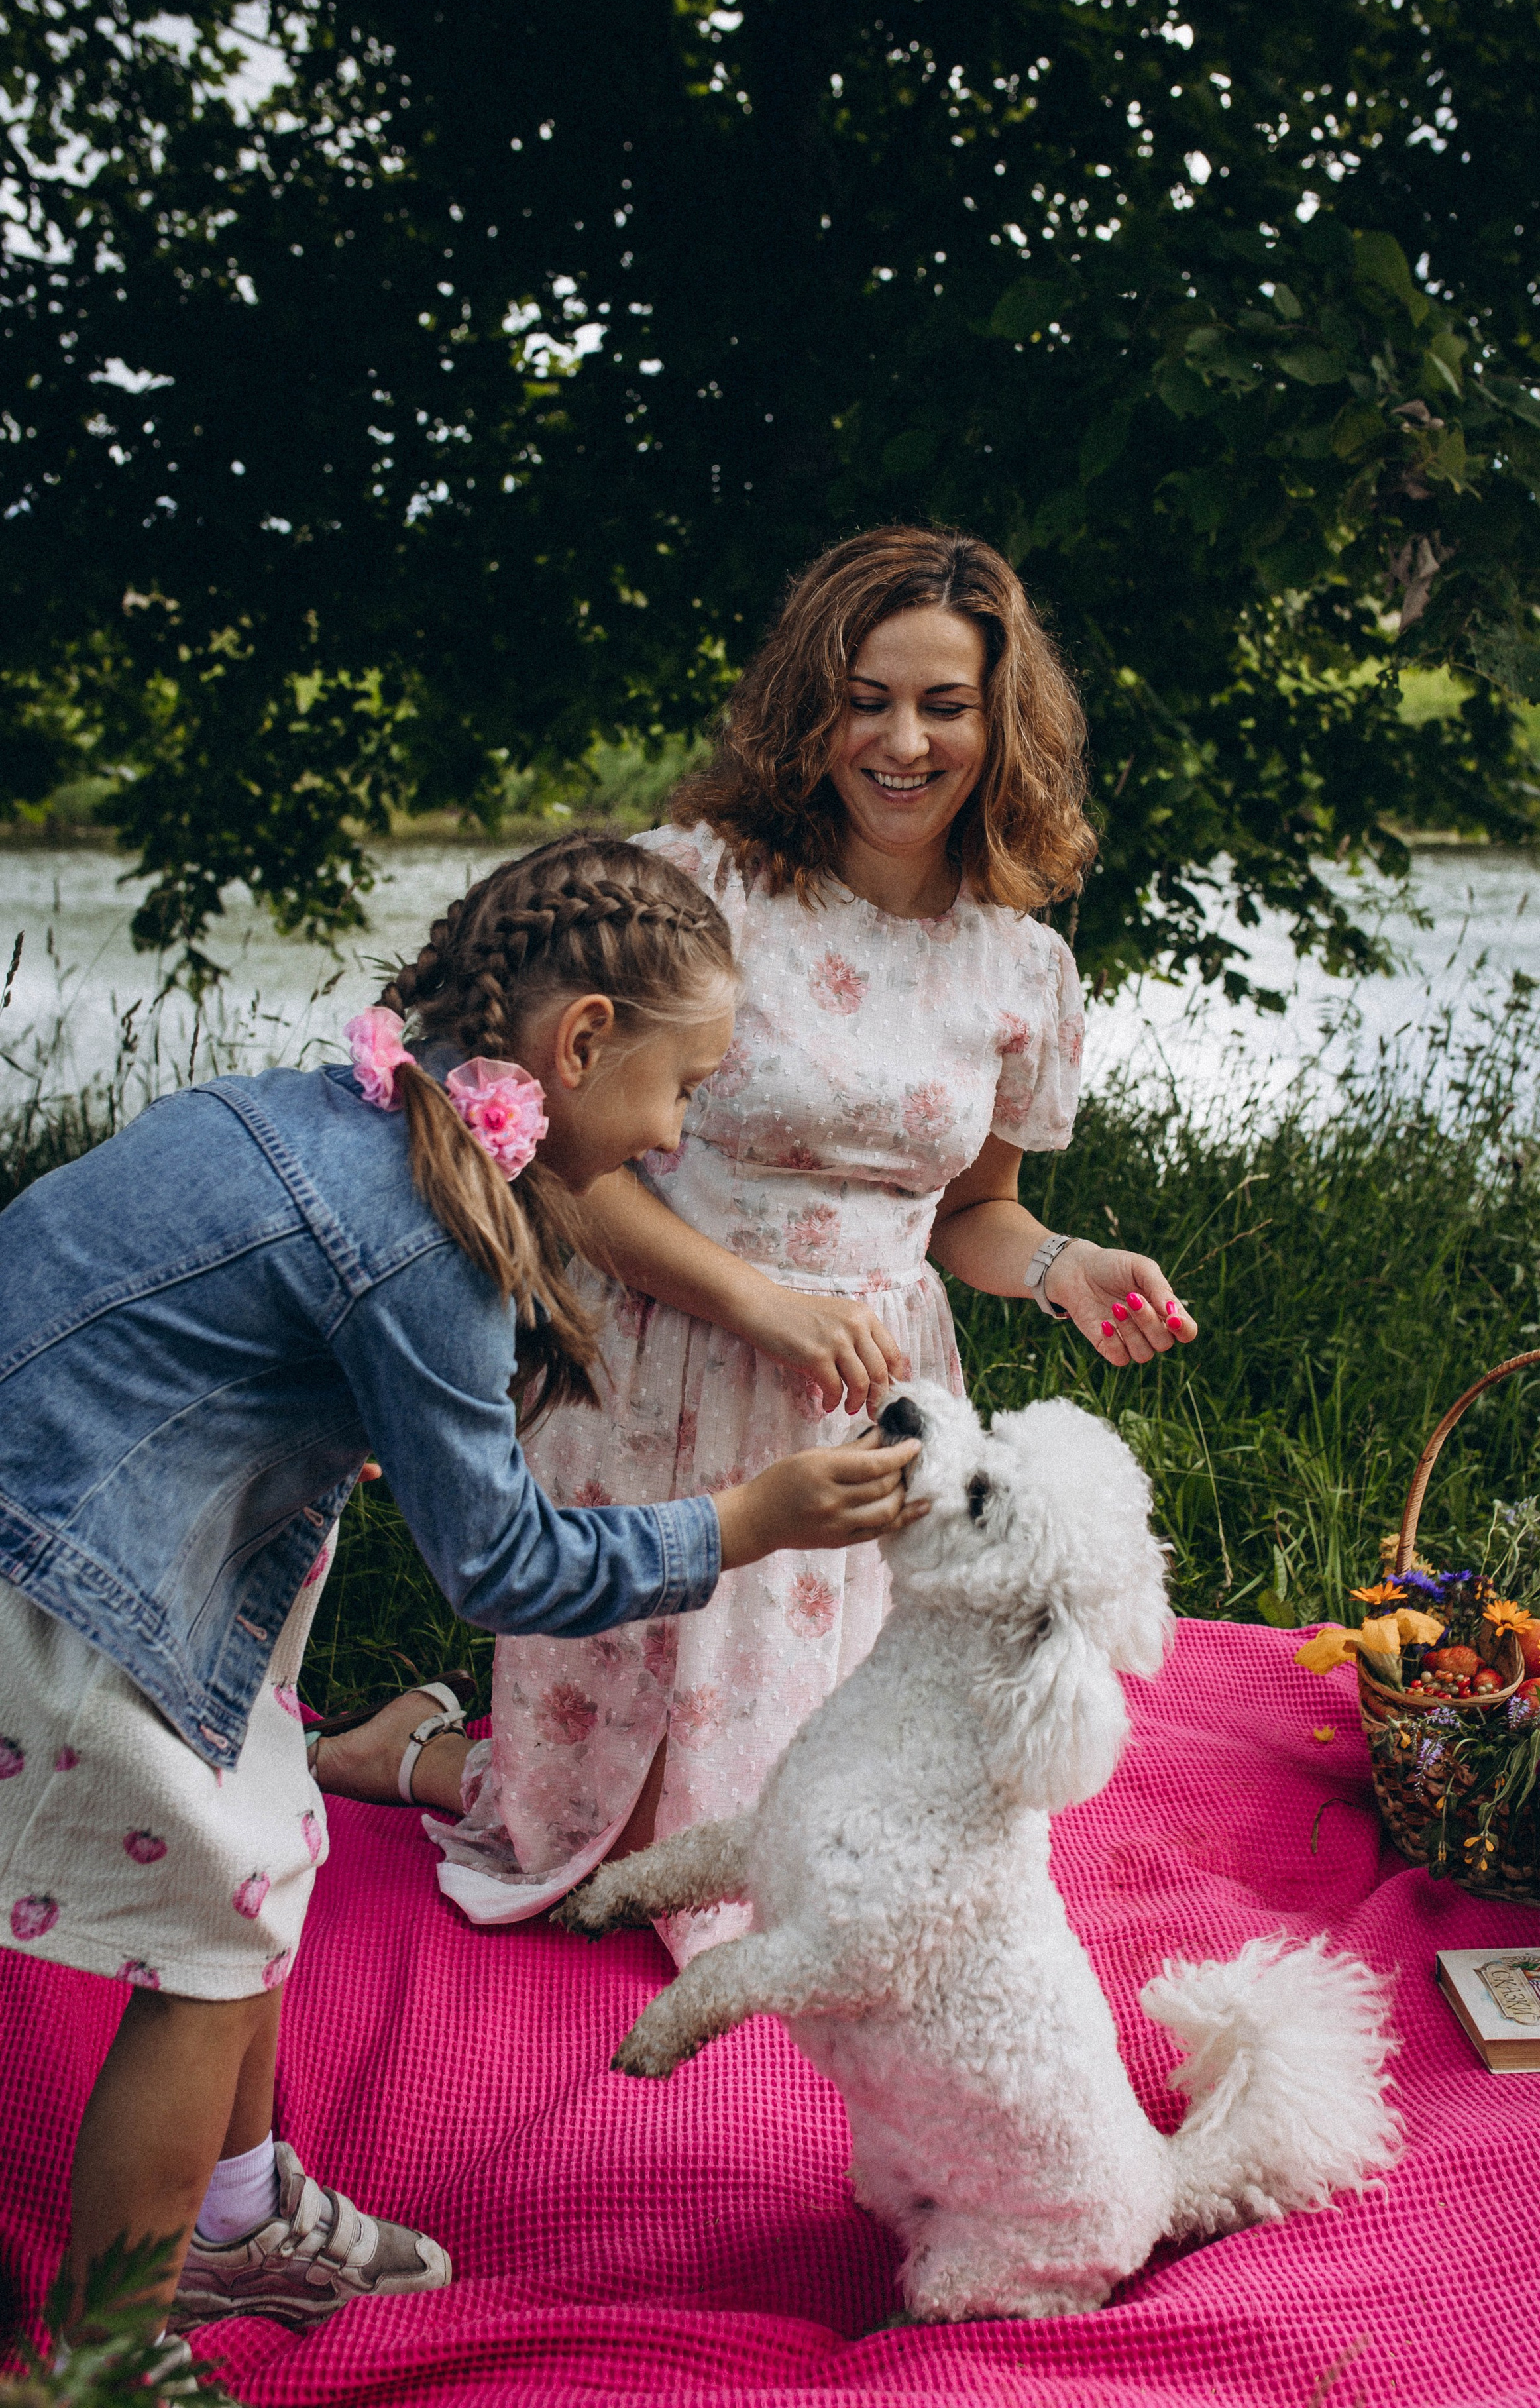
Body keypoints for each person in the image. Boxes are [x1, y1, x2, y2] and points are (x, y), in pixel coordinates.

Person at [0, 833, 921, 2344]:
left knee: (269, 1847)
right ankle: (100, 2358)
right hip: (52, 1560)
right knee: (215, 1945)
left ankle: (231, 2220)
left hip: (83, 1494)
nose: (678, 1136)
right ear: (579, 1044)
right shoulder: (425, 1238)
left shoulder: (337, 1111)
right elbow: (500, 1566)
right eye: (681, 1090)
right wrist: (745, 1521)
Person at [320, 525, 1198, 1964]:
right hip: (663, 1351)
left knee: (810, 1824)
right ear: (812, 704)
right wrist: (762, 1303)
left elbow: (972, 1215)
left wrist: (1059, 1267)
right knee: (595, 1824)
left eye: (944, 704)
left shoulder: (1021, 960)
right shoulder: (696, 885)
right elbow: (540, 1153)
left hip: (874, 1388)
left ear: (1001, 721)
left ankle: (434, 1740)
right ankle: (416, 1751)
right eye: (866, 697)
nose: (901, 740)